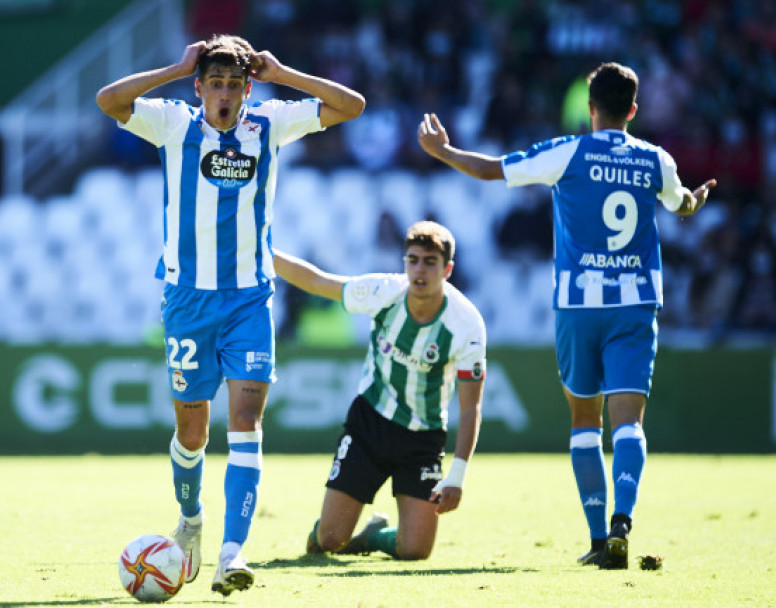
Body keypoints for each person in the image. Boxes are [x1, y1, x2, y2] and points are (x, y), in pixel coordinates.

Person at [417, 62, 716, 569]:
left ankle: (600, 538)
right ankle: (624, 518)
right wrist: (693, 202)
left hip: (579, 306)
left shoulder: (569, 152)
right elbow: (681, 203)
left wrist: (442, 150)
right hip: (635, 304)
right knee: (628, 423)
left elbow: (493, 170)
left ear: (590, 108)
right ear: (634, 110)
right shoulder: (655, 160)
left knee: (584, 420)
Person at [96, 34, 364, 595]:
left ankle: (231, 554)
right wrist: (174, 65)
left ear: (247, 90)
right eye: (214, 83)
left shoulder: (269, 123)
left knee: (246, 425)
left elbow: (351, 106)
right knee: (192, 434)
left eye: (234, 85)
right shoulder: (173, 123)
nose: (223, 94)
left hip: (249, 300)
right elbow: (109, 101)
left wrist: (284, 72)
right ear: (199, 87)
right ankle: (191, 521)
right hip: (188, 302)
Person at [273, 220, 486, 560]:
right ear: (404, 262)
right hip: (370, 423)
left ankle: (372, 538)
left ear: (447, 270)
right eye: (413, 259)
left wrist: (457, 476)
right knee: (330, 540)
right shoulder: (383, 291)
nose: (420, 270)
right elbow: (316, 280)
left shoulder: (467, 324)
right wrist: (260, 252)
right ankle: (327, 532)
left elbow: (471, 406)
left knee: (415, 550)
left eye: (430, 262)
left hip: (423, 437)